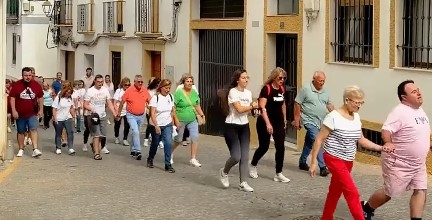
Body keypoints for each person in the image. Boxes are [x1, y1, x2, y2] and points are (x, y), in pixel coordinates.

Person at [309, 85, 393, 220]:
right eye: (357, 102)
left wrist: (381, 148)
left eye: (361, 103)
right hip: (333, 158)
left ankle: (326, 217)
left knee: (335, 191)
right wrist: (313, 163)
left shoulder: (356, 117)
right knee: (352, 192)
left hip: (348, 160)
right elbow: (319, 139)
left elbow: (361, 140)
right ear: (347, 100)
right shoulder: (333, 116)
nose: (359, 106)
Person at [362, 80, 430, 220]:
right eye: (414, 92)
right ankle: (367, 207)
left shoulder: (420, 110)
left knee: (421, 189)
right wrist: (388, 142)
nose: (419, 93)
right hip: (399, 162)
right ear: (404, 97)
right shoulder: (399, 111)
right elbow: (386, 130)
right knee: (389, 193)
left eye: (418, 90)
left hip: (418, 163)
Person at [219, 69, 258, 192]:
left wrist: (255, 112)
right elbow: (240, 109)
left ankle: (243, 182)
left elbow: (248, 112)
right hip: (232, 126)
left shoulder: (248, 93)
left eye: (247, 78)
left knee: (245, 157)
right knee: (236, 156)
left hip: (244, 126)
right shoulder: (233, 92)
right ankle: (224, 172)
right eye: (243, 78)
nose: (246, 80)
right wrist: (252, 106)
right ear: (237, 80)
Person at [249, 67, 290, 183]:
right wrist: (268, 124)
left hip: (278, 122)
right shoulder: (266, 89)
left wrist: (285, 120)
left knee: (281, 146)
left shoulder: (282, 89)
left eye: (284, 78)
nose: (282, 80)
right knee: (264, 146)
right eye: (279, 78)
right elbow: (262, 108)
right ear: (274, 77)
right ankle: (253, 165)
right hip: (264, 121)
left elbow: (283, 105)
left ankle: (278, 173)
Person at [293, 71, 333, 177]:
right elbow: (297, 103)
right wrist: (297, 119)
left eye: (323, 81)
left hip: (321, 121)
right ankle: (322, 167)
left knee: (310, 141)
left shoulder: (325, 91)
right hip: (308, 120)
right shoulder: (306, 89)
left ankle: (302, 162)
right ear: (314, 79)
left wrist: (334, 112)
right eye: (320, 81)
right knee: (317, 140)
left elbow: (328, 104)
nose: (322, 83)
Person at [172, 74, 205, 167]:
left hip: (192, 119)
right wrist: (175, 119)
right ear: (183, 83)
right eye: (187, 81)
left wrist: (202, 115)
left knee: (195, 137)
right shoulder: (178, 93)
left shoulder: (194, 93)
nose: (189, 83)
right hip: (181, 119)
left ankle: (193, 158)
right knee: (178, 139)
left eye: (191, 81)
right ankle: (169, 153)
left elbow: (197, 105)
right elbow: (173, 107)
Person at [9, 67, 43, 158]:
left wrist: (41, 110)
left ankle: (35, 149)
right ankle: (21, 149)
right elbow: (12, 98)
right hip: (20, 113)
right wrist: (13, 110)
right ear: (22, 75)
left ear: (32, 75)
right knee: (21, 131)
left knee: (33, 129)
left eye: (29, 75)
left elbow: (40, 97)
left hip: (32, 113)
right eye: (26, 75)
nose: (28, 77)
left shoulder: (36, 85)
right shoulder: (17, 85)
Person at [146, 79, 178, 173]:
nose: (168, 90)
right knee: (155, 143)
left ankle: (168, 164)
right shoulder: (155, 98)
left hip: (167, 124)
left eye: (169, 88)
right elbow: (152, 113)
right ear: (161, 88)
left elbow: (172, 110)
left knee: (168, 143)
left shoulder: (171, 97)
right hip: (157, 124)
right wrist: (156, 125)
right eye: (166, 88)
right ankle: (150, 158)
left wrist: (174, 121)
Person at [116, 75, 151, 160]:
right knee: (135, 131)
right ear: (134, 82)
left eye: (141, 82)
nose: (140, 83)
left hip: (141, 115)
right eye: (138, 82)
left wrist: (153, 112)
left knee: (136, 132)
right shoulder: (129, 91)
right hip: (131, 115)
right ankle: (138, 151)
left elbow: (150, 102)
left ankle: (133, 150)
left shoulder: (144, 90)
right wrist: (119, 113)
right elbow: (122, 102)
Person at [83, 74, 117, 160]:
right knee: (96, 134)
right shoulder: (90, 91)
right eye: (98, 82)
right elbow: (85, 104)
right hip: (93, 116)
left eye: (101, 82)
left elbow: (109, 103)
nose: (100, 83)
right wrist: (92, 109)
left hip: (102, 115)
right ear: (94, 81)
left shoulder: (105, 90)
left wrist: (114, 113)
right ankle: (97, 153)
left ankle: (93, 144)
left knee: (103, 135)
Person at [52, 85, 76, 155]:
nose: (69, 94)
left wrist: (74, 116)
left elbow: (71, 108)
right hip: (59, 118)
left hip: (67, 117)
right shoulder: (59, 98)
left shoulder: (70, 98)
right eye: (68, 93)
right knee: (58, 133)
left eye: (70, 93)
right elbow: (54, 108)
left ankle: (70, 148)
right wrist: (55, 117)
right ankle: (58, 147)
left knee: (70, 132)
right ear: (65, 92)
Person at [143, 77, 161, 148]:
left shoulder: (160, 91)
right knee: (150, 124)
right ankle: (146, 139)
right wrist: (147, 106)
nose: (159, 85)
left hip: (158, 110)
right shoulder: (149, 90)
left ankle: (158, 140)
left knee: (158, 124)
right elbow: (146, 100)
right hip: (149, 109)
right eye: (158, 83)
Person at [113, 77, 131, 146]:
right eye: (125, 85)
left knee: (127, 125)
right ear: (122, 85)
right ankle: (116, 137)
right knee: (117, 124)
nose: (127, 86)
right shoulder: (119, 91)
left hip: (127, 110)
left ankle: (125, 139)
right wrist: (116, 111)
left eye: (128, 85)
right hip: (119, 110)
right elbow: (114, 102)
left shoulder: (130, 91)